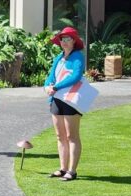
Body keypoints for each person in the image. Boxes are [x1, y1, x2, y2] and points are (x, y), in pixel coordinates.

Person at [44, 27, 86, 181]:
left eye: (68, 39)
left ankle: (72, 171)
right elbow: (50, 77)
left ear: (74, 41)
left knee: (71, 135)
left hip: (71, 99)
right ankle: (62, 168)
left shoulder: (78, 57)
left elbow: (75, 76)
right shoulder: (58, 58)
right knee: (60, 135)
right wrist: (47, 86)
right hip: (56, 99)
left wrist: (56, 87)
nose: (65, 42)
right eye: (63, 39)